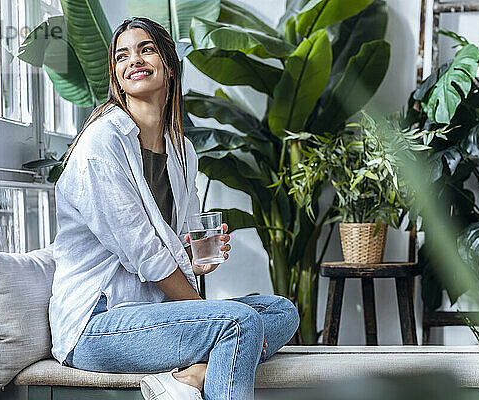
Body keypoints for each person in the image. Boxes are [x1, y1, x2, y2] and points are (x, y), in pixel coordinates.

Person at [48, 17, 300, 400]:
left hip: (153, 315)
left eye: (146, 49)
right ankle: (207, 362)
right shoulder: (103, 143)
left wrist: (193, 259)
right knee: (239, 323)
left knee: (282, 311)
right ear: (117, 77)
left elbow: (175, 242)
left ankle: (193, 376)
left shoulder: (182, 151)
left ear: (168, 64)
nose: (134, 59)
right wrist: (208, 316)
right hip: (95, 325)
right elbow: (146, 253)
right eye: (122, 55)